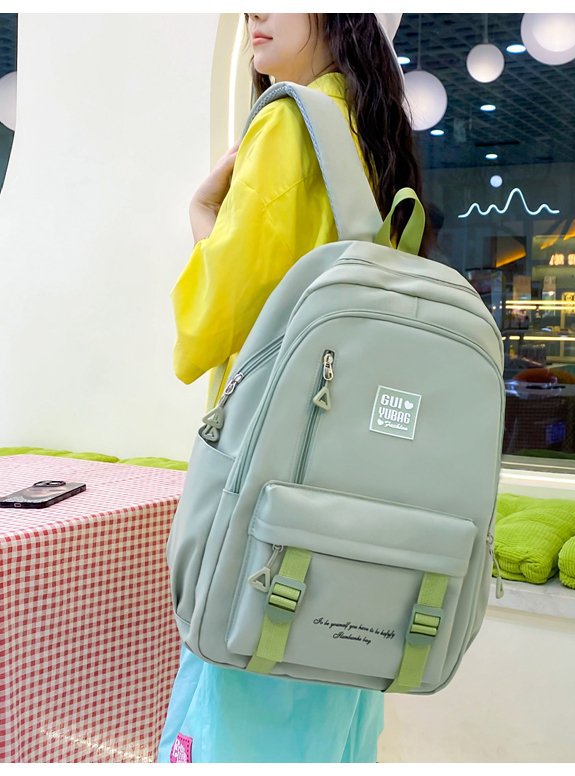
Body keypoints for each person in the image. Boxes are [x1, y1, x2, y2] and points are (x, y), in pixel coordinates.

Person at [158, 13, 424, 763]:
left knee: (244, 692)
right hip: (356, 496)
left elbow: (211, 326)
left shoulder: (288, 124)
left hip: (271, 485)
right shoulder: (371, 136)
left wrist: (202, 217)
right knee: (328, 707)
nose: (254, 12)